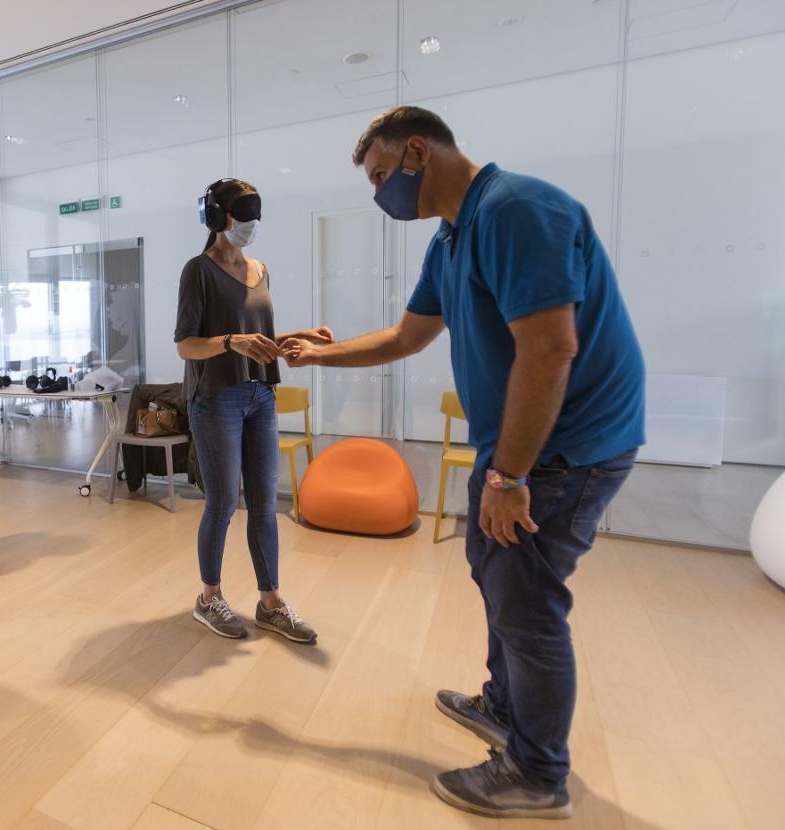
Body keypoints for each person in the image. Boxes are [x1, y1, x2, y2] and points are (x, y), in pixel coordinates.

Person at [283, 107, 645, 819]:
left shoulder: (518, 210)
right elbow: (405, 336)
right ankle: (505, 707)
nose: (381, 195)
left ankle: (538, 773)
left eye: (382, 176)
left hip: (562, 451)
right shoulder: (451, 241)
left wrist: (509, 477)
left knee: (529, 600)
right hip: (512, 450)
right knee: (493, 570)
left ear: (418, 151)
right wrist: (316, 354)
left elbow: (550, 350)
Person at [174, 178, 334, 645]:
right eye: (243, 217)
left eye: (255, 217)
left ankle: (270, 604)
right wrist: (230, 342)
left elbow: (257, 334)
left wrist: (297, 337)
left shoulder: (260, 269)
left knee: (265, 503)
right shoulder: (197, 271)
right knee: (223, 502)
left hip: (261, 394)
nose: (250, 226)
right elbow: (186, 345)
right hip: (215, 396)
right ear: (218, 217)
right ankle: (209, 598)